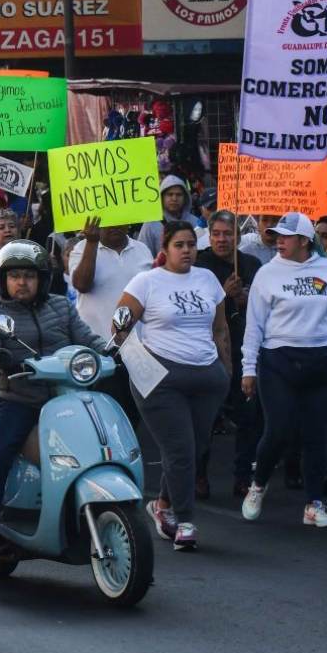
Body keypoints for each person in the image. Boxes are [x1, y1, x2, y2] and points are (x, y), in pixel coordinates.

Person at [0, 240, 107, 579]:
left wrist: (111, 352)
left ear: (43, 279)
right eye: (14, 276)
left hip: (66, 398)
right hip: (19, 400)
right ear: (3, 280)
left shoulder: (60, 306)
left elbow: (86, 337)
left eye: (29, 275)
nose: (22, 283)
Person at [239, 212, 327, 530]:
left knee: (316, 435)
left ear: (305, 241)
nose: (279, 240)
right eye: (277, 235)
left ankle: (313, 503)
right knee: (278, 430)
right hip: (278, 362)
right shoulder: (268, 274)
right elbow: (254, 325)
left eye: (286, 236)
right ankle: (258, 483)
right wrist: (248, 368)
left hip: (322, 360)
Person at [113, 221, 231, 551]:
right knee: (180, 450)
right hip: (163, 380)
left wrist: (227, 372)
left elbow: (221, 329)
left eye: (192, 244)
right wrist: (142, 368)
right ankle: (185, 520)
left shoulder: (208, 279)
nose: (187, 250)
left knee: (195, 448)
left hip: (207, 377)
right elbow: (119, 325)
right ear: (165, 248)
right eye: (180, 245)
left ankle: (162, 505)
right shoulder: (147, 281)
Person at [195, 212, 261, 500]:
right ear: (209, 236)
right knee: (205, 418)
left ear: (238, 236)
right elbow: (194, 307)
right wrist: (223, 294)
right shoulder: (198, 264)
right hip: (207, 350)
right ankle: (198, 475)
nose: (222, 239)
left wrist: (247, 299)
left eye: (228, 233)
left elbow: (263, 305)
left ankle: (243, 477)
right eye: (217, 234)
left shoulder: (251, 264)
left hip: (243, 348)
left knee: (248, 417)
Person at [67, 217, 153, 340]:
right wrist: (91, 243)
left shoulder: (143, 250)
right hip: (96, 344)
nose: (114, 226)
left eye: (118, 219)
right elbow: (82, 285)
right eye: (108, 220)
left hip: (139, 346)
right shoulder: (81, 249)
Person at [136, 175, 207, 255]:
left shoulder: (195, 222)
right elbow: (142, 255)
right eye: (170, 194)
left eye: (179, 195)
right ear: (162, 197)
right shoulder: (151, 225)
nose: (174, 198)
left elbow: (202, 252)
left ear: (185, 197)